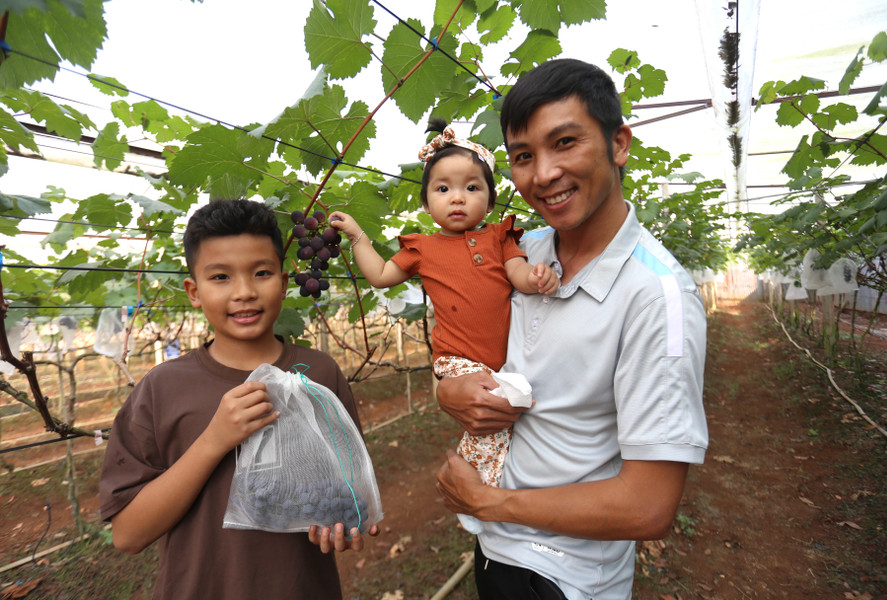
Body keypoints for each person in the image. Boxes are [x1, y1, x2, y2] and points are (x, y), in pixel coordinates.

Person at [433, 59, 709, 599]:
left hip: (565, 576)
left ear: (619, 144)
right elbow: (460, 350)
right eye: (523, 156)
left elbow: (648, 506)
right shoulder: (518, 254)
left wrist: (487, 503)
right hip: (495, 549)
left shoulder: (658, 298)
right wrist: (450, 391)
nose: (543, 174)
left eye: (565, 142)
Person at [99, 199, 378, 600]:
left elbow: (347, 491)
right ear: (194, 292)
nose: (244, 292)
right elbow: (127, 535)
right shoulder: (161, 389)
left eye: (261, 273)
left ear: (283, 284)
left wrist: (346, 524)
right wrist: (215, 438)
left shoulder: (321, 373)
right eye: (220, 277)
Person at [329, 120, 559, 530]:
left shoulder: (499, 238)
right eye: (443, 189)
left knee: (506, 418)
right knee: (495, 419)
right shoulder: (422, 248)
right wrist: (359, 238)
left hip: (503, 363)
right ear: (426, 203)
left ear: (489, 202)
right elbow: (381, 275)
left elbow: (518, 273)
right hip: (457, 361)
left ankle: (479, 481)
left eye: (472, 188)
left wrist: (537, 278)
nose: (458, 197)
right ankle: (478, 496)